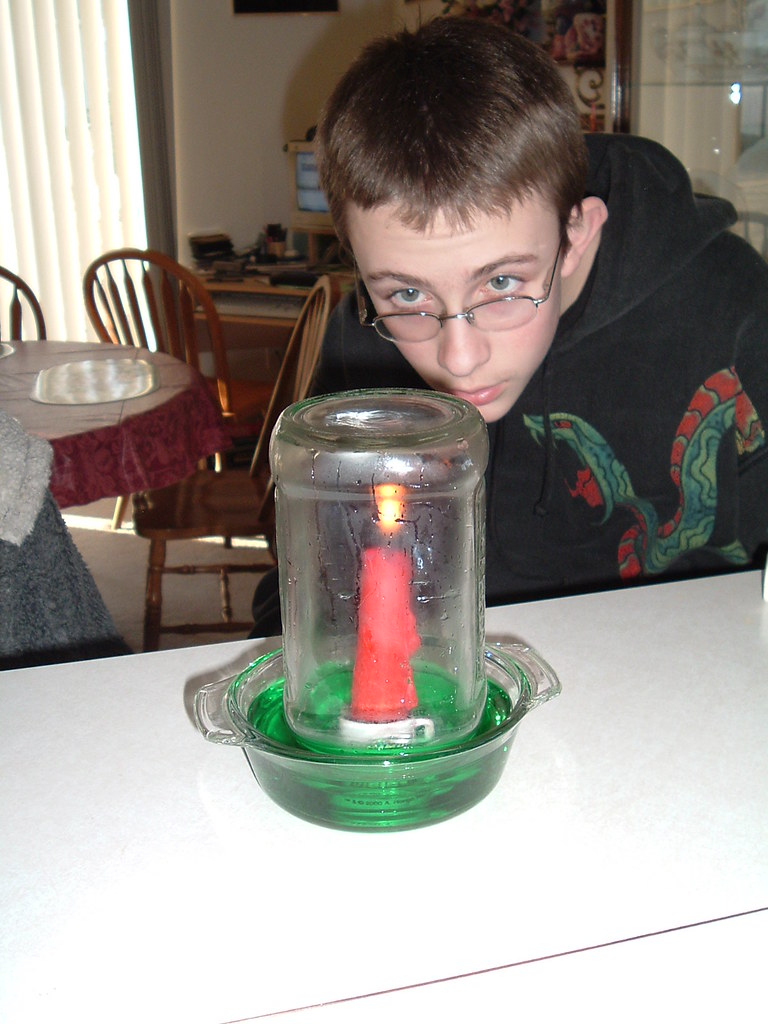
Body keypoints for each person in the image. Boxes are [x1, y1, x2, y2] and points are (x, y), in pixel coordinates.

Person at [251, 15, 768, 637]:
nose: (460, 359)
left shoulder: (730, 304)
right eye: (408, 294)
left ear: (574, 236)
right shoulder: (362, 336)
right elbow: (305, 577)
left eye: (500, 284)